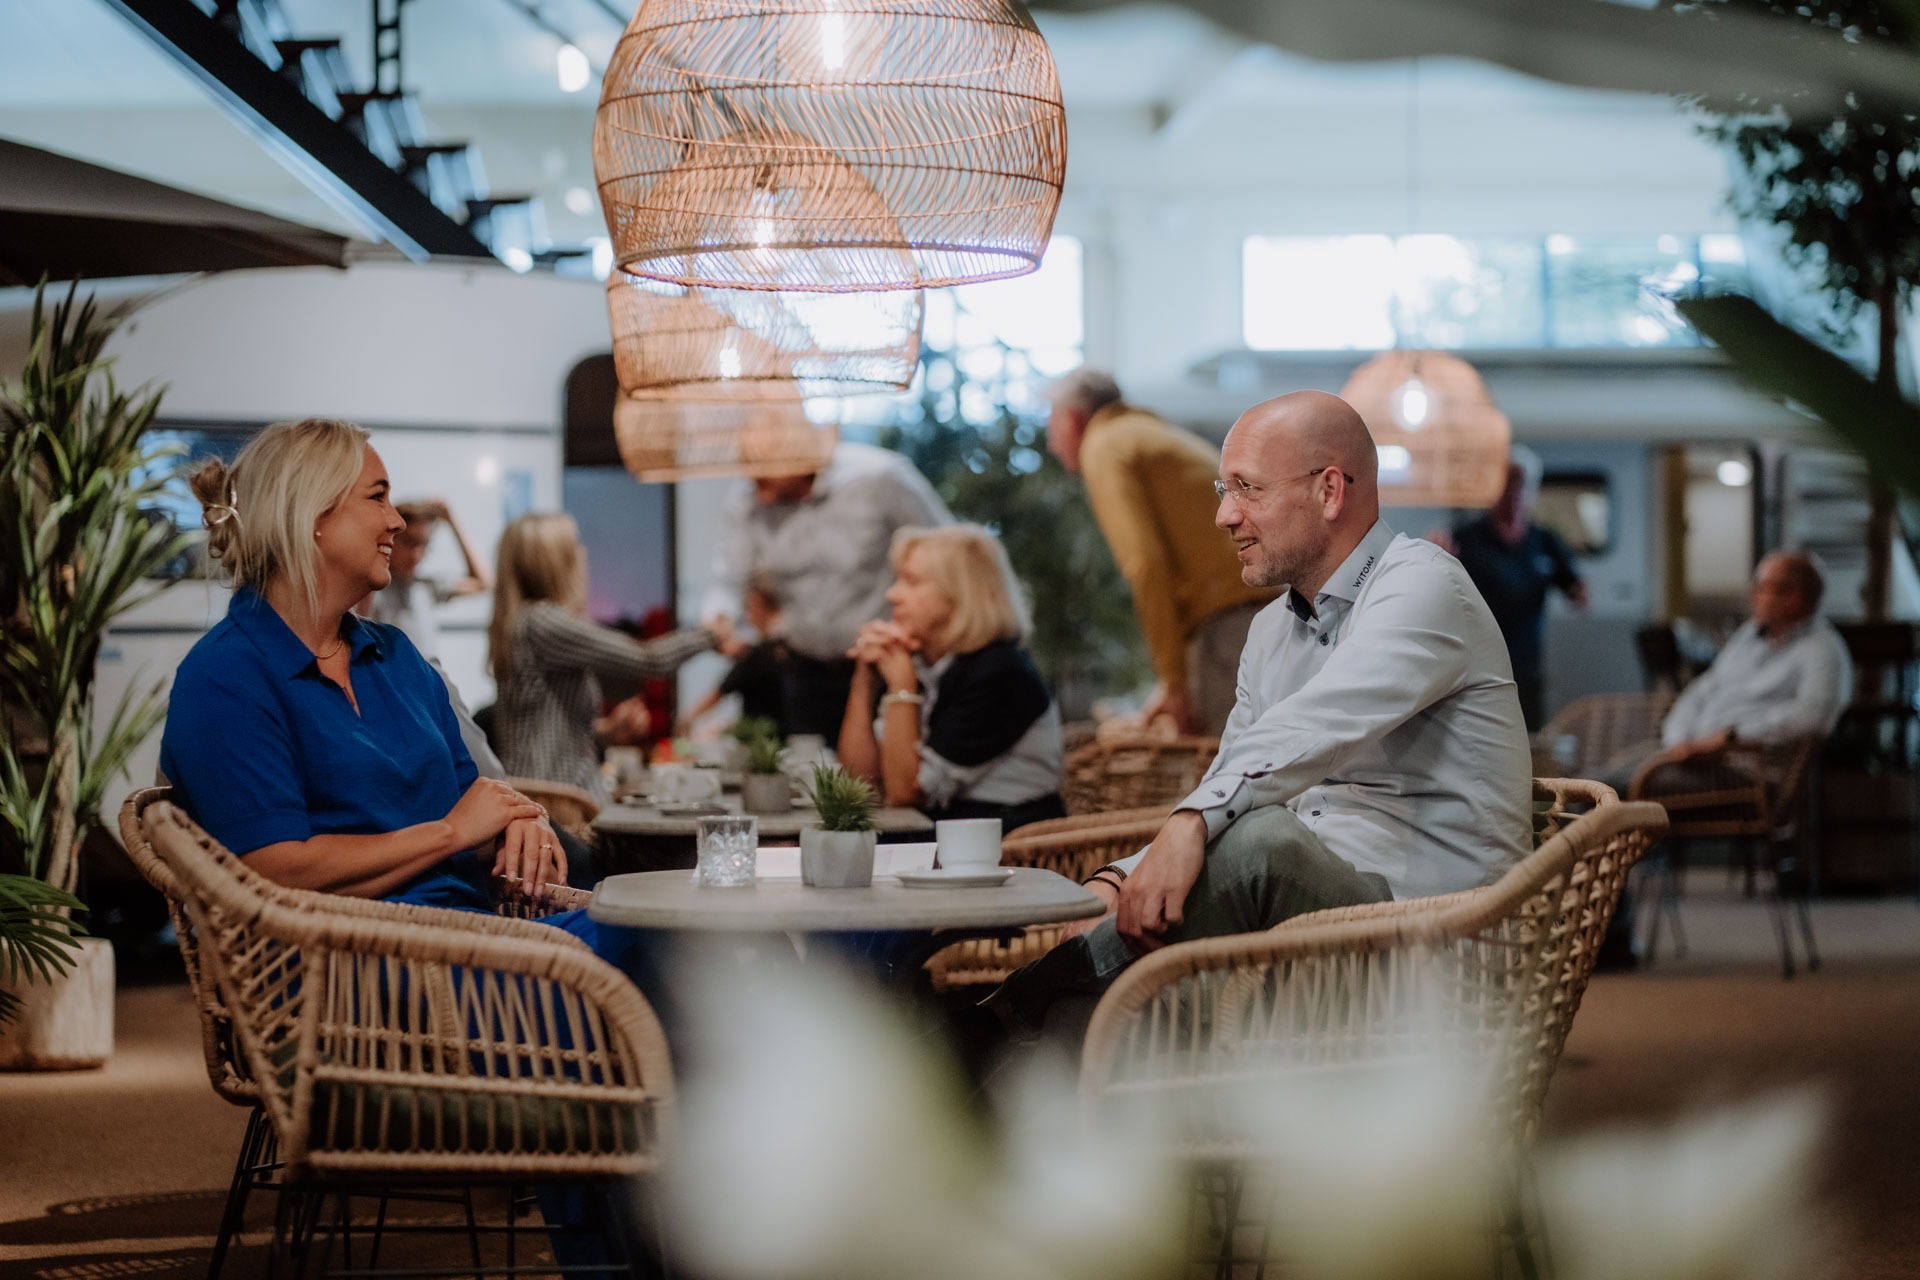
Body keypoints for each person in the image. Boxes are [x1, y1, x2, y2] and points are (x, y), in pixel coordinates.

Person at [157, 419, 667, 1264]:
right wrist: (454, 830)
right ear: (314, 518)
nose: (398, 520)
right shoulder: (225, 678)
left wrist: (519, 819)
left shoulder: (393, 657)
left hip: (474, 951)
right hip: (350, 994)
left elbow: (476, 796)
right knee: (657, 970)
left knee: (685, 953)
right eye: (379, 497)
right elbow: (274, 872)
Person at [982, 390, 1532, 1039]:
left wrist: (1189, 825)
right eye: (1225, 490)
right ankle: (1039, 1036)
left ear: (1329, 491)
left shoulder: (1423, 585)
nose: (1223, 515)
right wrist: (1121, 877)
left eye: (1246, 489)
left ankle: (1014, 1023)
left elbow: (1315, 728)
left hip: (1438, 929)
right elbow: (1229, 784)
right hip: (1304, 926)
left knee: (1261, 843)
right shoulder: (1271, 629)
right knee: (1235, 851)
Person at [1047, 368, 1276, 736]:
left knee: (1234, 758)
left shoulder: (1103, 445)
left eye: (1051, 423)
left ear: (1073, 419)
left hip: (1228, 619)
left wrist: (1173, 683)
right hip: (1258, 604)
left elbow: (1144, 564)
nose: (1050, 443)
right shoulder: (1144, 432)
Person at [701, 442, 952, 741]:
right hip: (805, 670)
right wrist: (720, 618)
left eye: (760, 464)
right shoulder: (746, 498)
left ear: (796, 448)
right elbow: (728, 580)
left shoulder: (879, 476)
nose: (752, 479)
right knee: (811, 765)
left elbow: (946, 555)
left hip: (884, 665)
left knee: (888, 764)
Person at [837, 525, 1066, 832]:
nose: (892, 595)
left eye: (911, 581)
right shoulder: (925, 663)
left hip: (1010, 843)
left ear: (961, 594)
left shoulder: (1000, 671)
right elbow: (858, 785)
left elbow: (905, 793)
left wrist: (902, 686)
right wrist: (864, 682)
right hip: (950, 833)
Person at [491, 512, 722, 805]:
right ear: (554, 562)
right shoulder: (542, 622)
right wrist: (711, 634)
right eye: (575, 546)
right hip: (555, 804)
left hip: (554, 797)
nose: (583, 553)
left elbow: (548, 733)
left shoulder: (525, 623)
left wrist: (608, 731)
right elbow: (649, 659)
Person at [1619, 550, 1852, 778]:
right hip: (1690, 758)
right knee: (1607, 780)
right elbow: (1702, 690)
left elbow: (1813, 715)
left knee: (1617, 790)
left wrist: (1731, 737)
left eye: (1762, 587)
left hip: (1743, 771)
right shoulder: (1750, 634)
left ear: (1793, 598)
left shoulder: (1822, 649)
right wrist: (1679, 739)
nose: (1753, 595)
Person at [1448, 448, 1588, 730]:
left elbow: (1576, 591)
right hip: (1477, 669)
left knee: (1529, 738)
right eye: (1507, 482)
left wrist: (1580, 593)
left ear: (1531, 491)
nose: (1514, 492)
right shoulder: (1466, 539)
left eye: (1521, 484)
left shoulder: (1544, 541)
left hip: (1527, 668)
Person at [362, 497, 492, 663]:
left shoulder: (425, 587)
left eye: (423, 545)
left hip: (429, 675)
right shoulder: (371, 588)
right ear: (391, 537)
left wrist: (452, 522)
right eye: (409, 542)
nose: (416, 555)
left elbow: (483, 583)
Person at [678, 575, 791, 738]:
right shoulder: (785, 647)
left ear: (757, 604)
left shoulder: (759, 654)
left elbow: (719, 692)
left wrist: (686, 719)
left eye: (748, 609)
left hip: (768, 739)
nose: (747, 616)